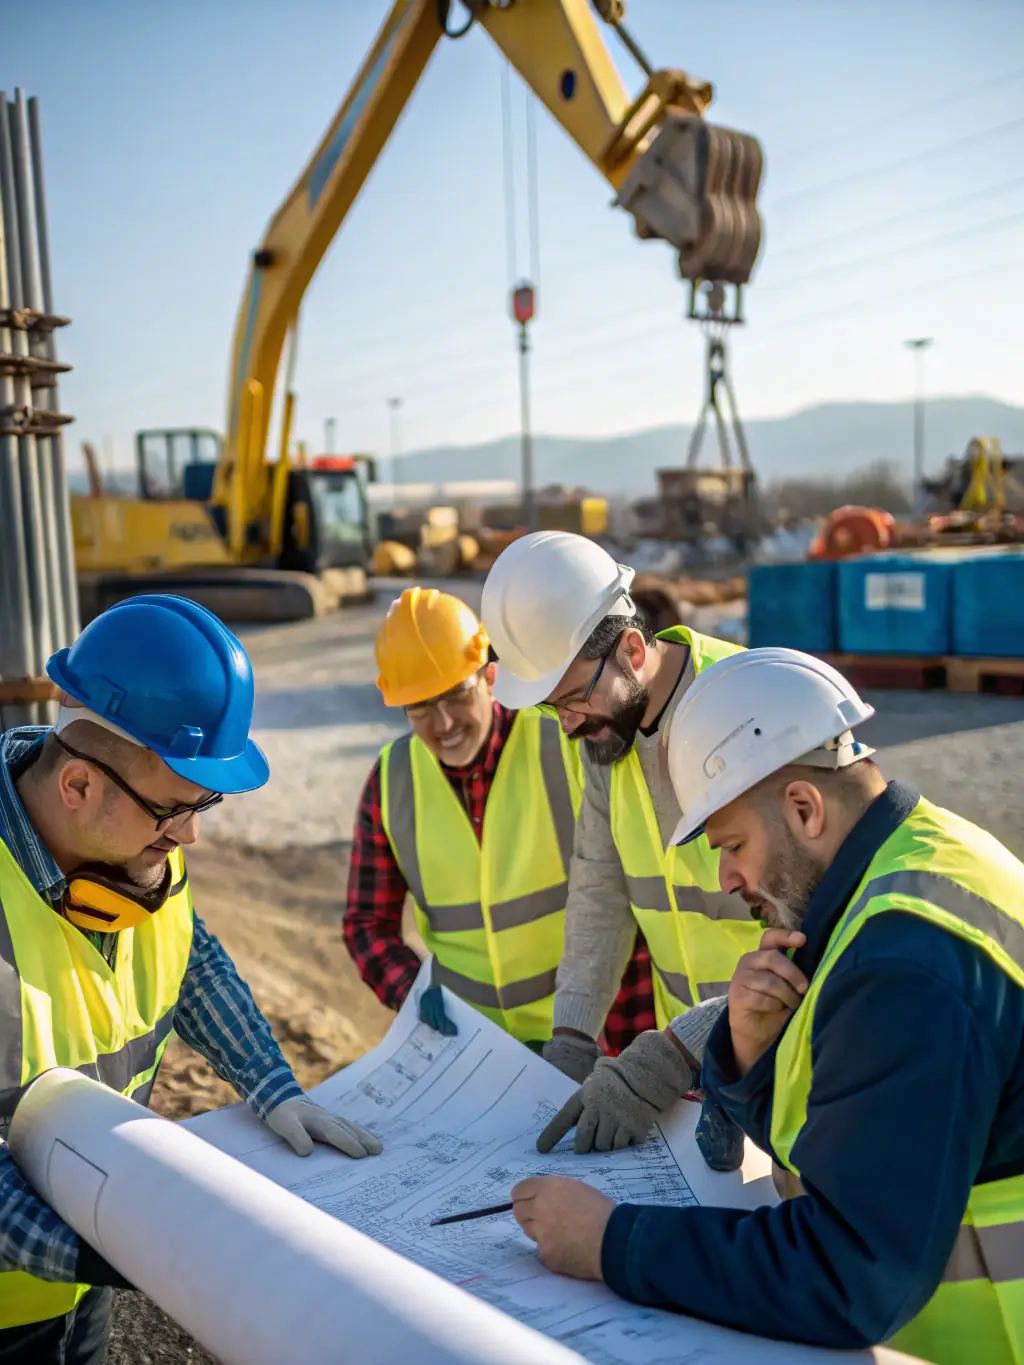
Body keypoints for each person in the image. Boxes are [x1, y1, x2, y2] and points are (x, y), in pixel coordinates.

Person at [510, 647, 1024, 1365]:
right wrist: (748, 1059)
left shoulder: (904, 960)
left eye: (734, 844)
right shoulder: (913, 864)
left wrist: (610, 1240)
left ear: (804, 807)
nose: (727, 879)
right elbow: (851, 1137)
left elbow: (851, 1273)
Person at [0, 595, 381, 1365]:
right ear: (76, 786)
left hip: (86, 1286)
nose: (192, 834)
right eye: (175, 809)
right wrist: (125, 1246)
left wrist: (271, 1083)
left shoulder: (139, 845)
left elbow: (189, 954)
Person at [482, 531, 762, 1169]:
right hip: (697, 1070)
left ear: (632, 650)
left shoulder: (750, 704)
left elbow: (822, 935)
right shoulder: (608, 740)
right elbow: (599, 891)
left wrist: (672, 1054)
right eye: (554, 710)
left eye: (575, 698)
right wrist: (573, 1040)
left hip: (790, 1048)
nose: (570, 724)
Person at [344, 586, 655, 1052]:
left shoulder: (567, 743)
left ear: (489, 675)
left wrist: (620, 1046)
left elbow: (634, 893)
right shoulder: (392, 781)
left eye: (455, 695)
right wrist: (412, 990)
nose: (444, 723)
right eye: (421, 707)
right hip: (477, 1055)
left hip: (587, 1042)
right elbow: (366, 922)